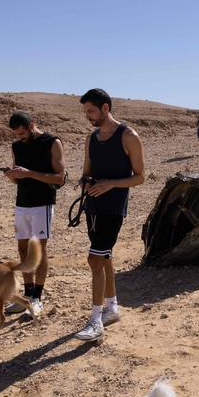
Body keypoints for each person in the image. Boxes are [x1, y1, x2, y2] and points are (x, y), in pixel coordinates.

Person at [74, 89, 145, 342]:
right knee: (104, 258)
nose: (88, 116)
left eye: (91, 111)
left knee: (95, 259)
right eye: (86, 112)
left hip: (113, 208)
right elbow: (85, 172)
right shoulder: (91, 139)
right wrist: (85, 183)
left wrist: (110, 184)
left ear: (105, 108)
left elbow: (140, 176)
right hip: (92, 208)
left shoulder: (128, 136)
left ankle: (95, 322)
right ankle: (112, 308)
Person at [4, 111, 66, 316]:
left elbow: (59, 178)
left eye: (22, 133)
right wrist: (12, 176)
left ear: (32, 125)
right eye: (16, 135)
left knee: (38, 250)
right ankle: (27, 296)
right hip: (22, 203)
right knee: (23, 250)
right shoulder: (17, 146)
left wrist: (29, 173)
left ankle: (37, 298)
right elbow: (17, 178)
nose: (20, 138)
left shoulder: (52, 142)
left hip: (43, 203)